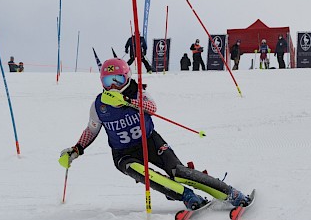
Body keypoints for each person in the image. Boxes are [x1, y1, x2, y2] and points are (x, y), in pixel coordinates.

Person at [59, 58, 252, 211]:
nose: (114, 86)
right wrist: (76, 150)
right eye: (109, 82)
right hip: (123, 154)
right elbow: (91, 130)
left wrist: (127, 101)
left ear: (128, 77)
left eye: (119, 80)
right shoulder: (99, 105)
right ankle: (187, 197)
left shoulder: (137, 92)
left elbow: (152, 108)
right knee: (148, 175)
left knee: (179, 172)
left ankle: (231, 193)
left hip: (150, 141)